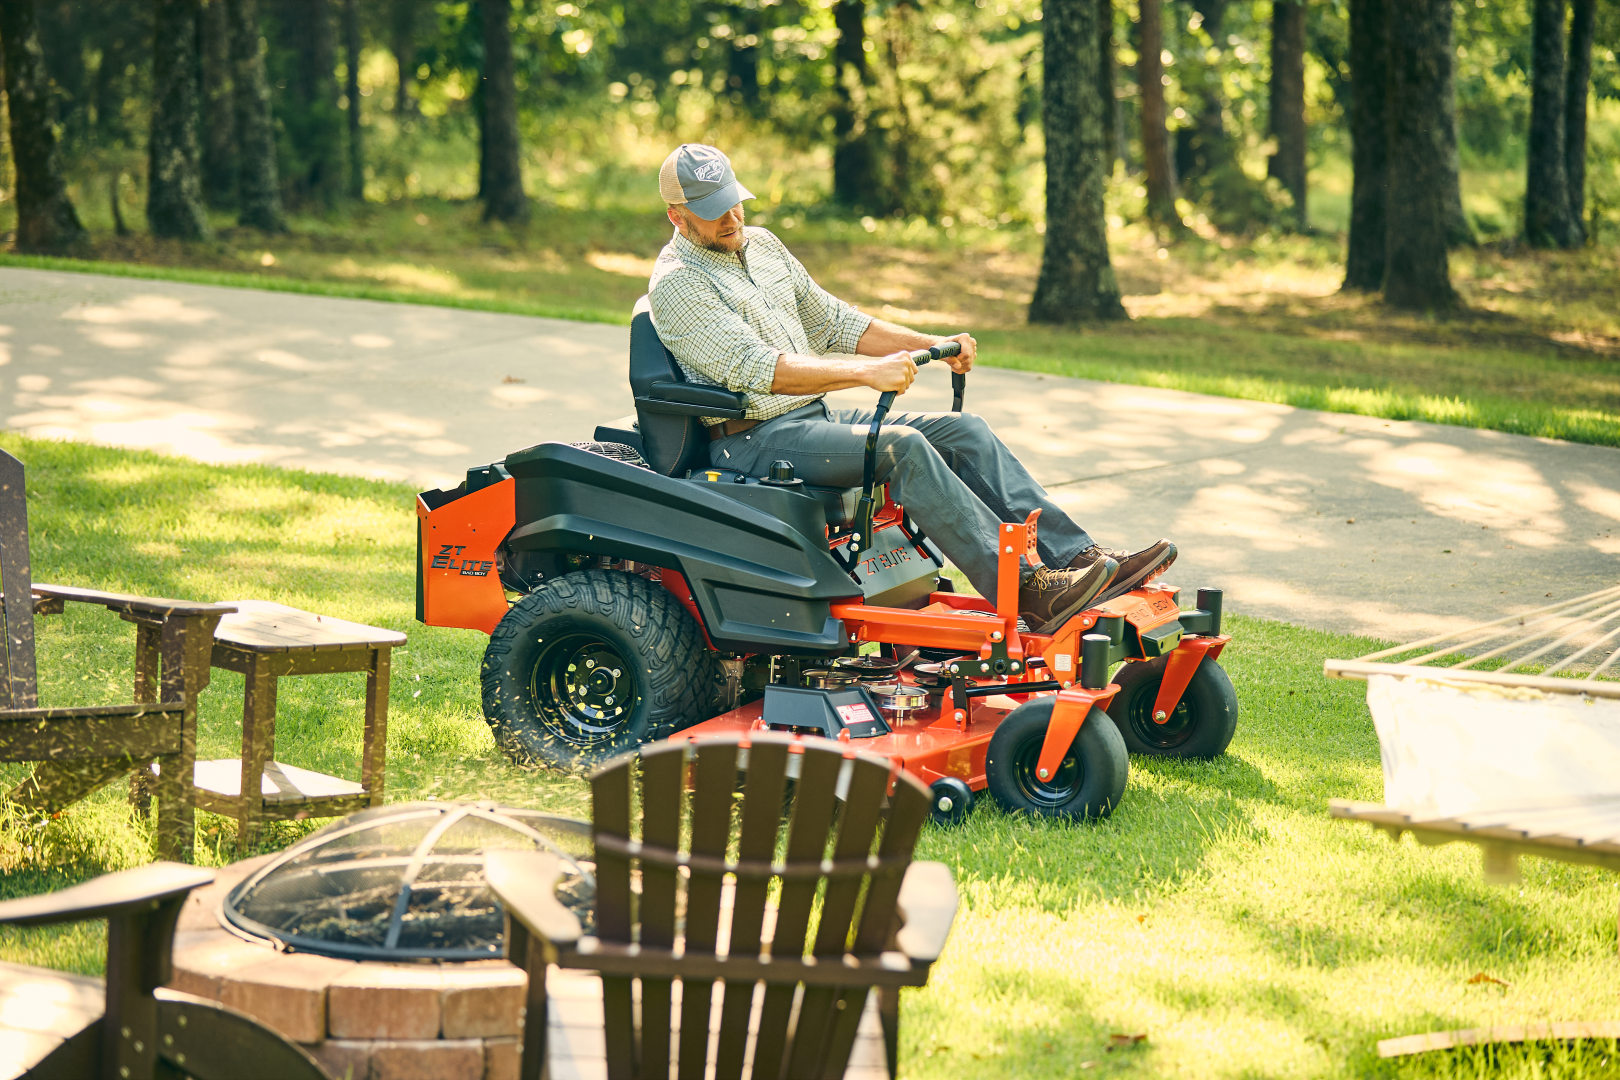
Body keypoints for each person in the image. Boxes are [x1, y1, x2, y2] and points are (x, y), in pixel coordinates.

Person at [647, 143, 1176, 628]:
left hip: (814, 420)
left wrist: (933, 342)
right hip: (752, 439)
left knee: (964, 431)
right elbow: (757, 368)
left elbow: (836, 322)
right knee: (903, 448)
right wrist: (863, 374)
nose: (733, 216)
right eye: (714, 210)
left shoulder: (762, 246)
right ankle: (1028, 593)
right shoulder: (676, 283)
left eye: (734, 201)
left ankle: (1083, 560)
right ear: (678, 215)